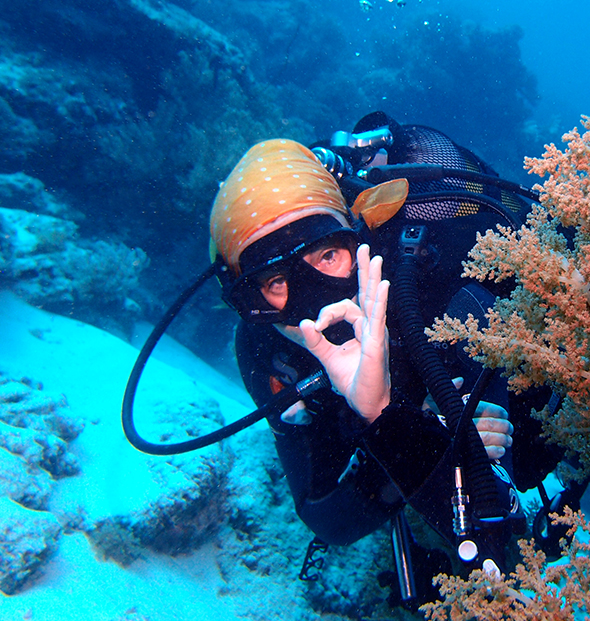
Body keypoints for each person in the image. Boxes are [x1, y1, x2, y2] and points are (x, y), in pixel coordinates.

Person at [207, 114, 561, 603]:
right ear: (248, 300)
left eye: (327, 256)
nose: (315, 302)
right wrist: (392, 422)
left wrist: (429, 438)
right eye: (275, 282)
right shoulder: (266, 350)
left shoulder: (436, 284)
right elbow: (326, 517)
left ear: (358, 237)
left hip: (558, 426)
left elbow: (496, 534)